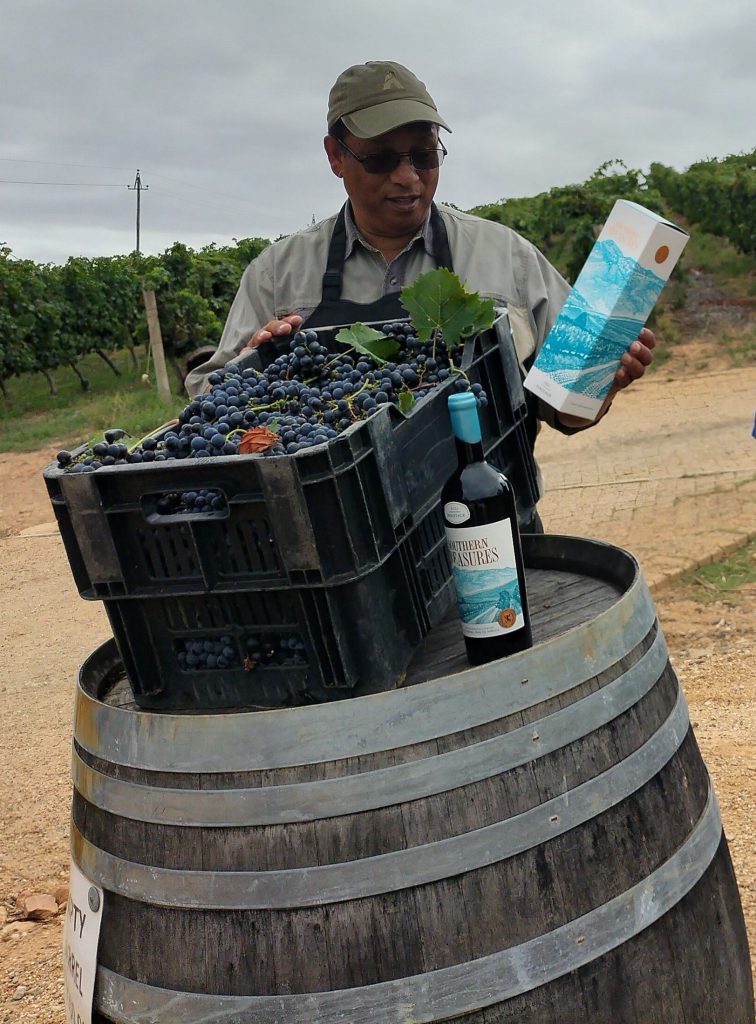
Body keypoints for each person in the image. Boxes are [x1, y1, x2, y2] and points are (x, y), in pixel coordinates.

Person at [184, 60, 655, 527]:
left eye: (424, 155)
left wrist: (600, 386)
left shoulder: (506, 257)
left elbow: (564, 411)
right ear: (335, 156)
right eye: (381, 158)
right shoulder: (277, 275)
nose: (408, 176)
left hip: (491, 536)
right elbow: (209, 413)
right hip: (346, 544)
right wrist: (250, 367)